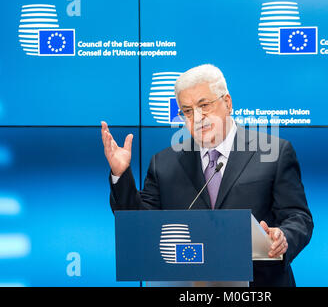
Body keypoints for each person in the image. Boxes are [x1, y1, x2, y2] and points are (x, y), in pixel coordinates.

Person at [101, 64, 313, 287]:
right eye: (188, 111)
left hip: (260, 284)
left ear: (228, 103)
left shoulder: (274, 153)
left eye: (204, 105)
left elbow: (299, 218)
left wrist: (282, 236)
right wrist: (120, 174)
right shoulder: (164, 163)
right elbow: (140, 224)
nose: (198, 117)